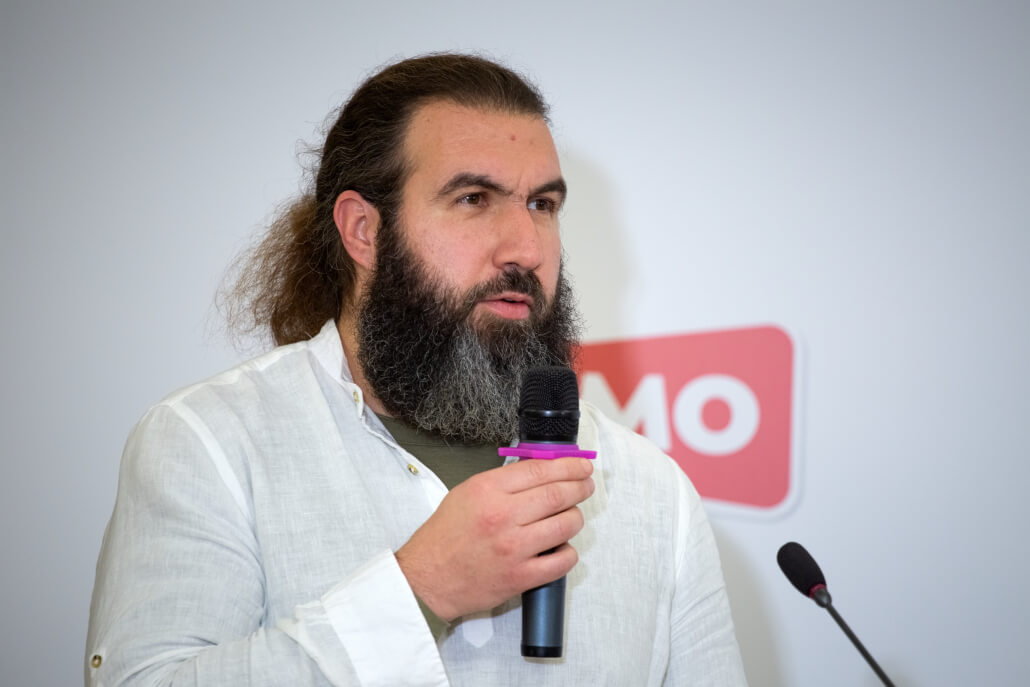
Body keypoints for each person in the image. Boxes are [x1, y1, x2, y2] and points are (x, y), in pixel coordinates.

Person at [86, 53, 748, 686]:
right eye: (473, 198)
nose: (526, 247)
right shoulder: (209, 444)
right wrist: (420, 590)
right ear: (363, 230)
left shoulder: (652, 489)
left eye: (542, 205)